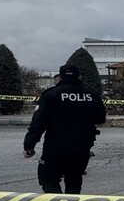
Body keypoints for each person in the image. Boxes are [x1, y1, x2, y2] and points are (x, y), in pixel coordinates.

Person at [23, 64, 106, 193]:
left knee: (48, 179)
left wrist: (29, 145)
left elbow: (38, 122)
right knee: (74, 181)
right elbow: (100, 119)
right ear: (79, 76)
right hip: (81, 147)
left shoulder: (51, 94)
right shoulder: (92, 95)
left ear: (60, 77)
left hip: (55, 147)